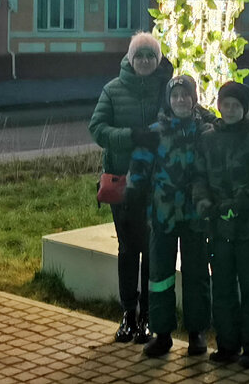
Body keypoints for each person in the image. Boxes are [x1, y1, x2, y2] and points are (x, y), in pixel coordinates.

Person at [88, 32, 172, 344]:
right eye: (140, 56)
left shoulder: (168, 90)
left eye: (151, 56)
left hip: (157, 182)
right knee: (128, 248)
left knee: (151, 249)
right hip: (123, 181)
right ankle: (128, 313)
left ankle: (148, 314)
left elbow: (185, 115)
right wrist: (131, 136)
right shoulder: (112, 90)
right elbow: (97, 129)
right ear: (130, 59)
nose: (146, 61)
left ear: (158, 59)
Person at [196, 81, 249, 369]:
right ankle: (227, 343)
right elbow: (198, 177)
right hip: (218, 228)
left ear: (244, 109)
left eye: (236, 106)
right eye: (226, 104)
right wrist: (205, 203)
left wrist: (243, 201)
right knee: (222, 288)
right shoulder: (208, 139)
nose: (230, 110)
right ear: (218, 106)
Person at [125, 74, 214, 359]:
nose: (180, 101)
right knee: (160, 275)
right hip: (162, 214)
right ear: (168, 100)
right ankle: (162, 333)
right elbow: (139, 166)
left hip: (194, 215)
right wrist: (134, 196)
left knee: (197, 274)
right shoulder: (155, 131)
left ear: (194, 98)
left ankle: (197, 332)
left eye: (185, 95)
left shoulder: (205, 130)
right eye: (175, 96)